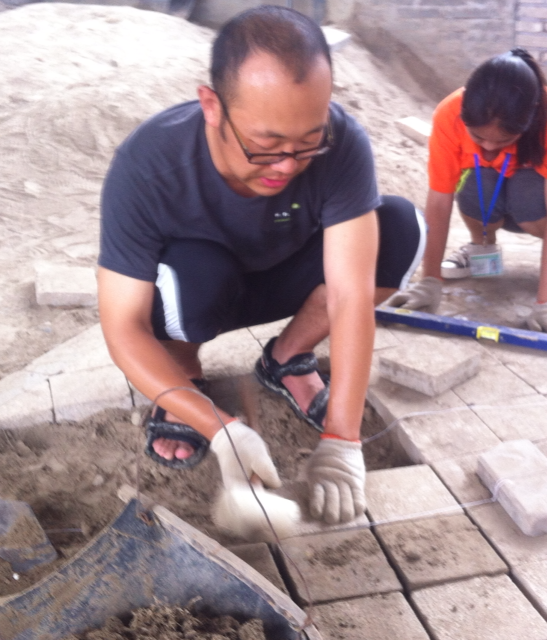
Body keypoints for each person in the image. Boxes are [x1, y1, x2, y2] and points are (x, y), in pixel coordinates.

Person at [96, 6, 424, 525]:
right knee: (192, 272)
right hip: (197, 294)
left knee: (400, 228)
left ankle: (287, 358)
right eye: (266, 146)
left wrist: (343, 439)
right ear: (212, 106)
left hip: (282, 275)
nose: (288, 166)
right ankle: (183, 377)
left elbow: (350, 295)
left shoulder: (342, 144)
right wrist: (222, 428)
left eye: (309, 142)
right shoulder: (149, 164)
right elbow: (123, 327)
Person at [386, 49, 547, 340]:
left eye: (505, 139)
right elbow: (439, 202)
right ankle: (482, 247)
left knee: (526, 187)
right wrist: (429, 281)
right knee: (476, 179)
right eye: (477, 137)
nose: (489, 147)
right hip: (511, 192)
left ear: (528, 121)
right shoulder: (449, 113)